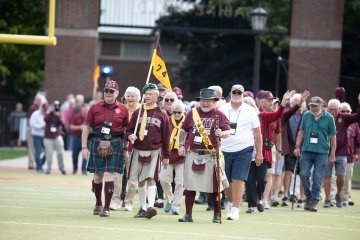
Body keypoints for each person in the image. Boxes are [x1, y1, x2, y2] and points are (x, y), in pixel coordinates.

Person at [177, 88, 230, 223]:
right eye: (203, 101)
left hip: (211, 154)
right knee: (189, 186)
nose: (205, 103)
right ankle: (188, 215)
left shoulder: (219, 115)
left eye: (209, 101)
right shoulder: (192, 113)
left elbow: (228, 131)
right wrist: (182, 145)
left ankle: (217, 214)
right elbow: (183, 130)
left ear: (214, 102)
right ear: (199, 101)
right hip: (193, 153)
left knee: (214, 187)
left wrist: (221, 134)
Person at [81, 80, 129, 217]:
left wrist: (125, 149)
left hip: (115, 143)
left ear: (117, 93)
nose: (108, 93)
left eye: (111, 91)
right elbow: (86, 127)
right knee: (97, 176)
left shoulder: (123, 109)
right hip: (97, 141)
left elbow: (125, 130)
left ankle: (106, 208)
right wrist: (84, 147)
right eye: (106, 90)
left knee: (109, 174)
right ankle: (98, 203)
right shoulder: (94, 107)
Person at [245, 90, 294, 214]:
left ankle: (260, 199)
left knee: (262, 179)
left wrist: (283, 103)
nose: (271, 102)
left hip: (263, 152)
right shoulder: (243, 117)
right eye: (269, 100)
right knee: (250, 180)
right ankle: (251, 205)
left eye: (272, 100)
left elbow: (277, 115)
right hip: (247, 152)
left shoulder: (262, 116)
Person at [218, 84, 263, 220]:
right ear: (230, 93)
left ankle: (235, 209)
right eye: (234, 92)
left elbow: (257, 133)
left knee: (238, 178)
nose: (237, 94)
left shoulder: (250, 110)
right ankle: (231, 203)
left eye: (239, 92)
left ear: (243, 94)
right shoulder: (222, 108)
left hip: (244, 149)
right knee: (226, 181)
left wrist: (259, 152)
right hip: (224, 149)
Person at [127, 83, 170, 219]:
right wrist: (129, 135)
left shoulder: (162, 115)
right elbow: (128, 130)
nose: (148, 96)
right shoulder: (137, 112)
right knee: (140, 180)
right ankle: (142, 208)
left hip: (154, 150)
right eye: (146, 94)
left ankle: (150, 207)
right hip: (138, 149)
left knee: (151, 178)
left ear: (157, 96)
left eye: (151, 94)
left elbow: (166, 137)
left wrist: (166, 156)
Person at [294, 96, 337, 212]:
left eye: (315, 105)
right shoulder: (306, 115)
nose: (312, 107)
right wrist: (297, 146)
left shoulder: (329, 118)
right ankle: (309, 196)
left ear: (322, 105)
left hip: (322, 153)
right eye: (311, 105)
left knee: (317, 177)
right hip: (307, 151)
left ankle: (314, 200)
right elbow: (301, 132)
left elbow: (333, 137)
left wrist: (332, 154)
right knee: (303, 174)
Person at [323, 94, 360, 208]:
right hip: (327, 153)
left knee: (341, 176)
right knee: (327, 176)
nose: (333, 111)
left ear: (339, 109)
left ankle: (338, 194)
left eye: (335, 109)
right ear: (327, 108)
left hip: (341, 153)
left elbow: (357, 116)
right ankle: (328, 198)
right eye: (330, 109)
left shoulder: (344, 117)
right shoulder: (323, 117)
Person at [111, 86, 141, 211]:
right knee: (117, 174)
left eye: (133, 96)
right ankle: (115, 200)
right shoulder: (121, 109)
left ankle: (128, 201)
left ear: (138, 98)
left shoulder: (141, 110)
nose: (130, 98)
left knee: (133, 176)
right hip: (119, 145)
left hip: (135, 146)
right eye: (128, 95)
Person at [160, 100, 186, 215]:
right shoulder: (167, 120)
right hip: (168, 154)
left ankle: (176, 205)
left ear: (183, 112)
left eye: (179, 112)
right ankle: (170, 200)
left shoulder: (187, 121)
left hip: (182, 156)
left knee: (180, 182)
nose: (176, 114)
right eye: (174, 112)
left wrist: (185, 146)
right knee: (164, 179)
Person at [339, 102, 360, 207]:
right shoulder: (336, 121)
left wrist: (356, 153)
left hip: (349, 156)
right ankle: (333, 198)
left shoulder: (354, 124)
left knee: (347, 179)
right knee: (334, 178)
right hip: (336, 154)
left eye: (348, 111)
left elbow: (358, 140)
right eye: (343, 111)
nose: (346, 113)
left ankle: (345, 198)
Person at [43, 101, 66, 175]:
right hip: (48, 137)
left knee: (60, 153)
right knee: (49, 153)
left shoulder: (58, 114)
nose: (55, 108)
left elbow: (62, 123)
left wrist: (57, 116)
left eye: (56, 106)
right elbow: (45, 119)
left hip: (57, 136)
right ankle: (48, 168)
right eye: (54, 106)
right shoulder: (48, 114)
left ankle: (62, 168)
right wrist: (50, 111)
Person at [69, 104, 89, 175]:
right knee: (75, 154)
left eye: (86, 111)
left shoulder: (90, 117)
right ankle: (75, 169)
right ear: (81, 110)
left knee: (85, 154)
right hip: (76, 138)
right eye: (84, 111)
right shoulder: (76, 116)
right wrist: (79, 127)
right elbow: (71, 127)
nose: (85, 112)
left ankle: (84, 169)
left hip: (86, 138)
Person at [29, 102, 48, 173]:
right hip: (37, 135)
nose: (45, 111)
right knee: (38, 151)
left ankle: (41, 163)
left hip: (45, 136)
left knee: (48, 151)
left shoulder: (47, 114)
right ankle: (39, 167)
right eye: (44, 109)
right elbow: (32, 124)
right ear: (41, 108)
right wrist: (41, 126)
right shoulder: (35, 114)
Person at [27, 95, 42, 169]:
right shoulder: (33, 108)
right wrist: (30, 129)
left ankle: (36, 162)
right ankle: (31, 163)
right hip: (32, 129)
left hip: (38, 131)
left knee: (36, 148)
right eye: (38, 100)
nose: (39, 102)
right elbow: (30, 119)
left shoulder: (40, 108)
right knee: (31, 147)